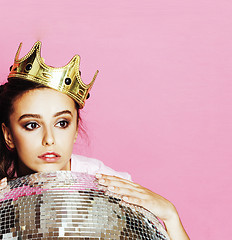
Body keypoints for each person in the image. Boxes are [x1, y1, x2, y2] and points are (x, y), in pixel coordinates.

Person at [0, 41, 189, 240]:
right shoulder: (4, 194)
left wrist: (170, 215)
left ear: (74, 130)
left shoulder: (110, 187)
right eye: (32, 125)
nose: (49, 139)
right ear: (9, 136)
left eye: (62, 123)